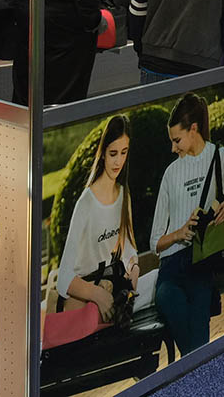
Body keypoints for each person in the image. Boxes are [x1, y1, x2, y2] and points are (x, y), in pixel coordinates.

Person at [151, 93, 224, 357]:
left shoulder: (218, 155)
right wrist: (179, 233)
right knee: (168, 298)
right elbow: (155, 242)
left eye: (176, 140)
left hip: (201, 262)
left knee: (197, 331)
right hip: (170, 267)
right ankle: (200, 368)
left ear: (193, 129)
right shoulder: (170, 174)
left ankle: (194, 368)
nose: (173, 148)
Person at [55, 115, 146, 321]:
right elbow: (64, 278)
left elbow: (129, 249)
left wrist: (134, 268)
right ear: (103, 153)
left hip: (112, 286)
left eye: (124, 152)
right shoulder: (86, 202)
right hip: (84, 296)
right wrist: (98, 295)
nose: (118, 161)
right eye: (113, 153)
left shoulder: (124, 195)